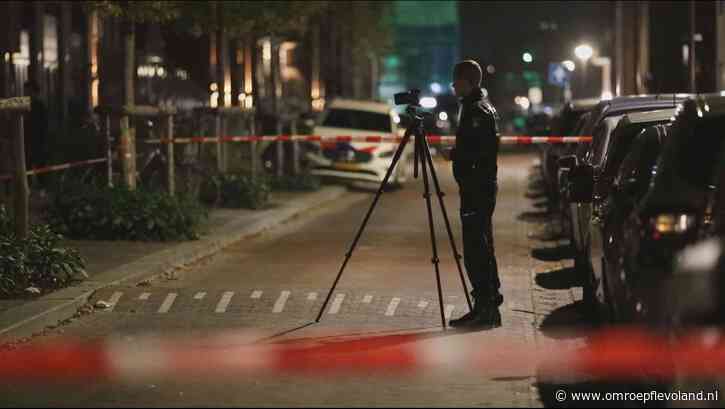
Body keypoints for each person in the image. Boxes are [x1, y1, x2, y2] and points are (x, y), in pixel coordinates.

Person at [446, 59, 503, 330]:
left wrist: (455, 154)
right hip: (478, 186)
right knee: (481, 246)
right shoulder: (478, 106)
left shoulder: (477, 111)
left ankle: (486, 308)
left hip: (477, 188)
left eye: (455, 81)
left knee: (476, 249)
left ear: (467, 82)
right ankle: (487, 305)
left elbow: (479, 151)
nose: (452, 86)